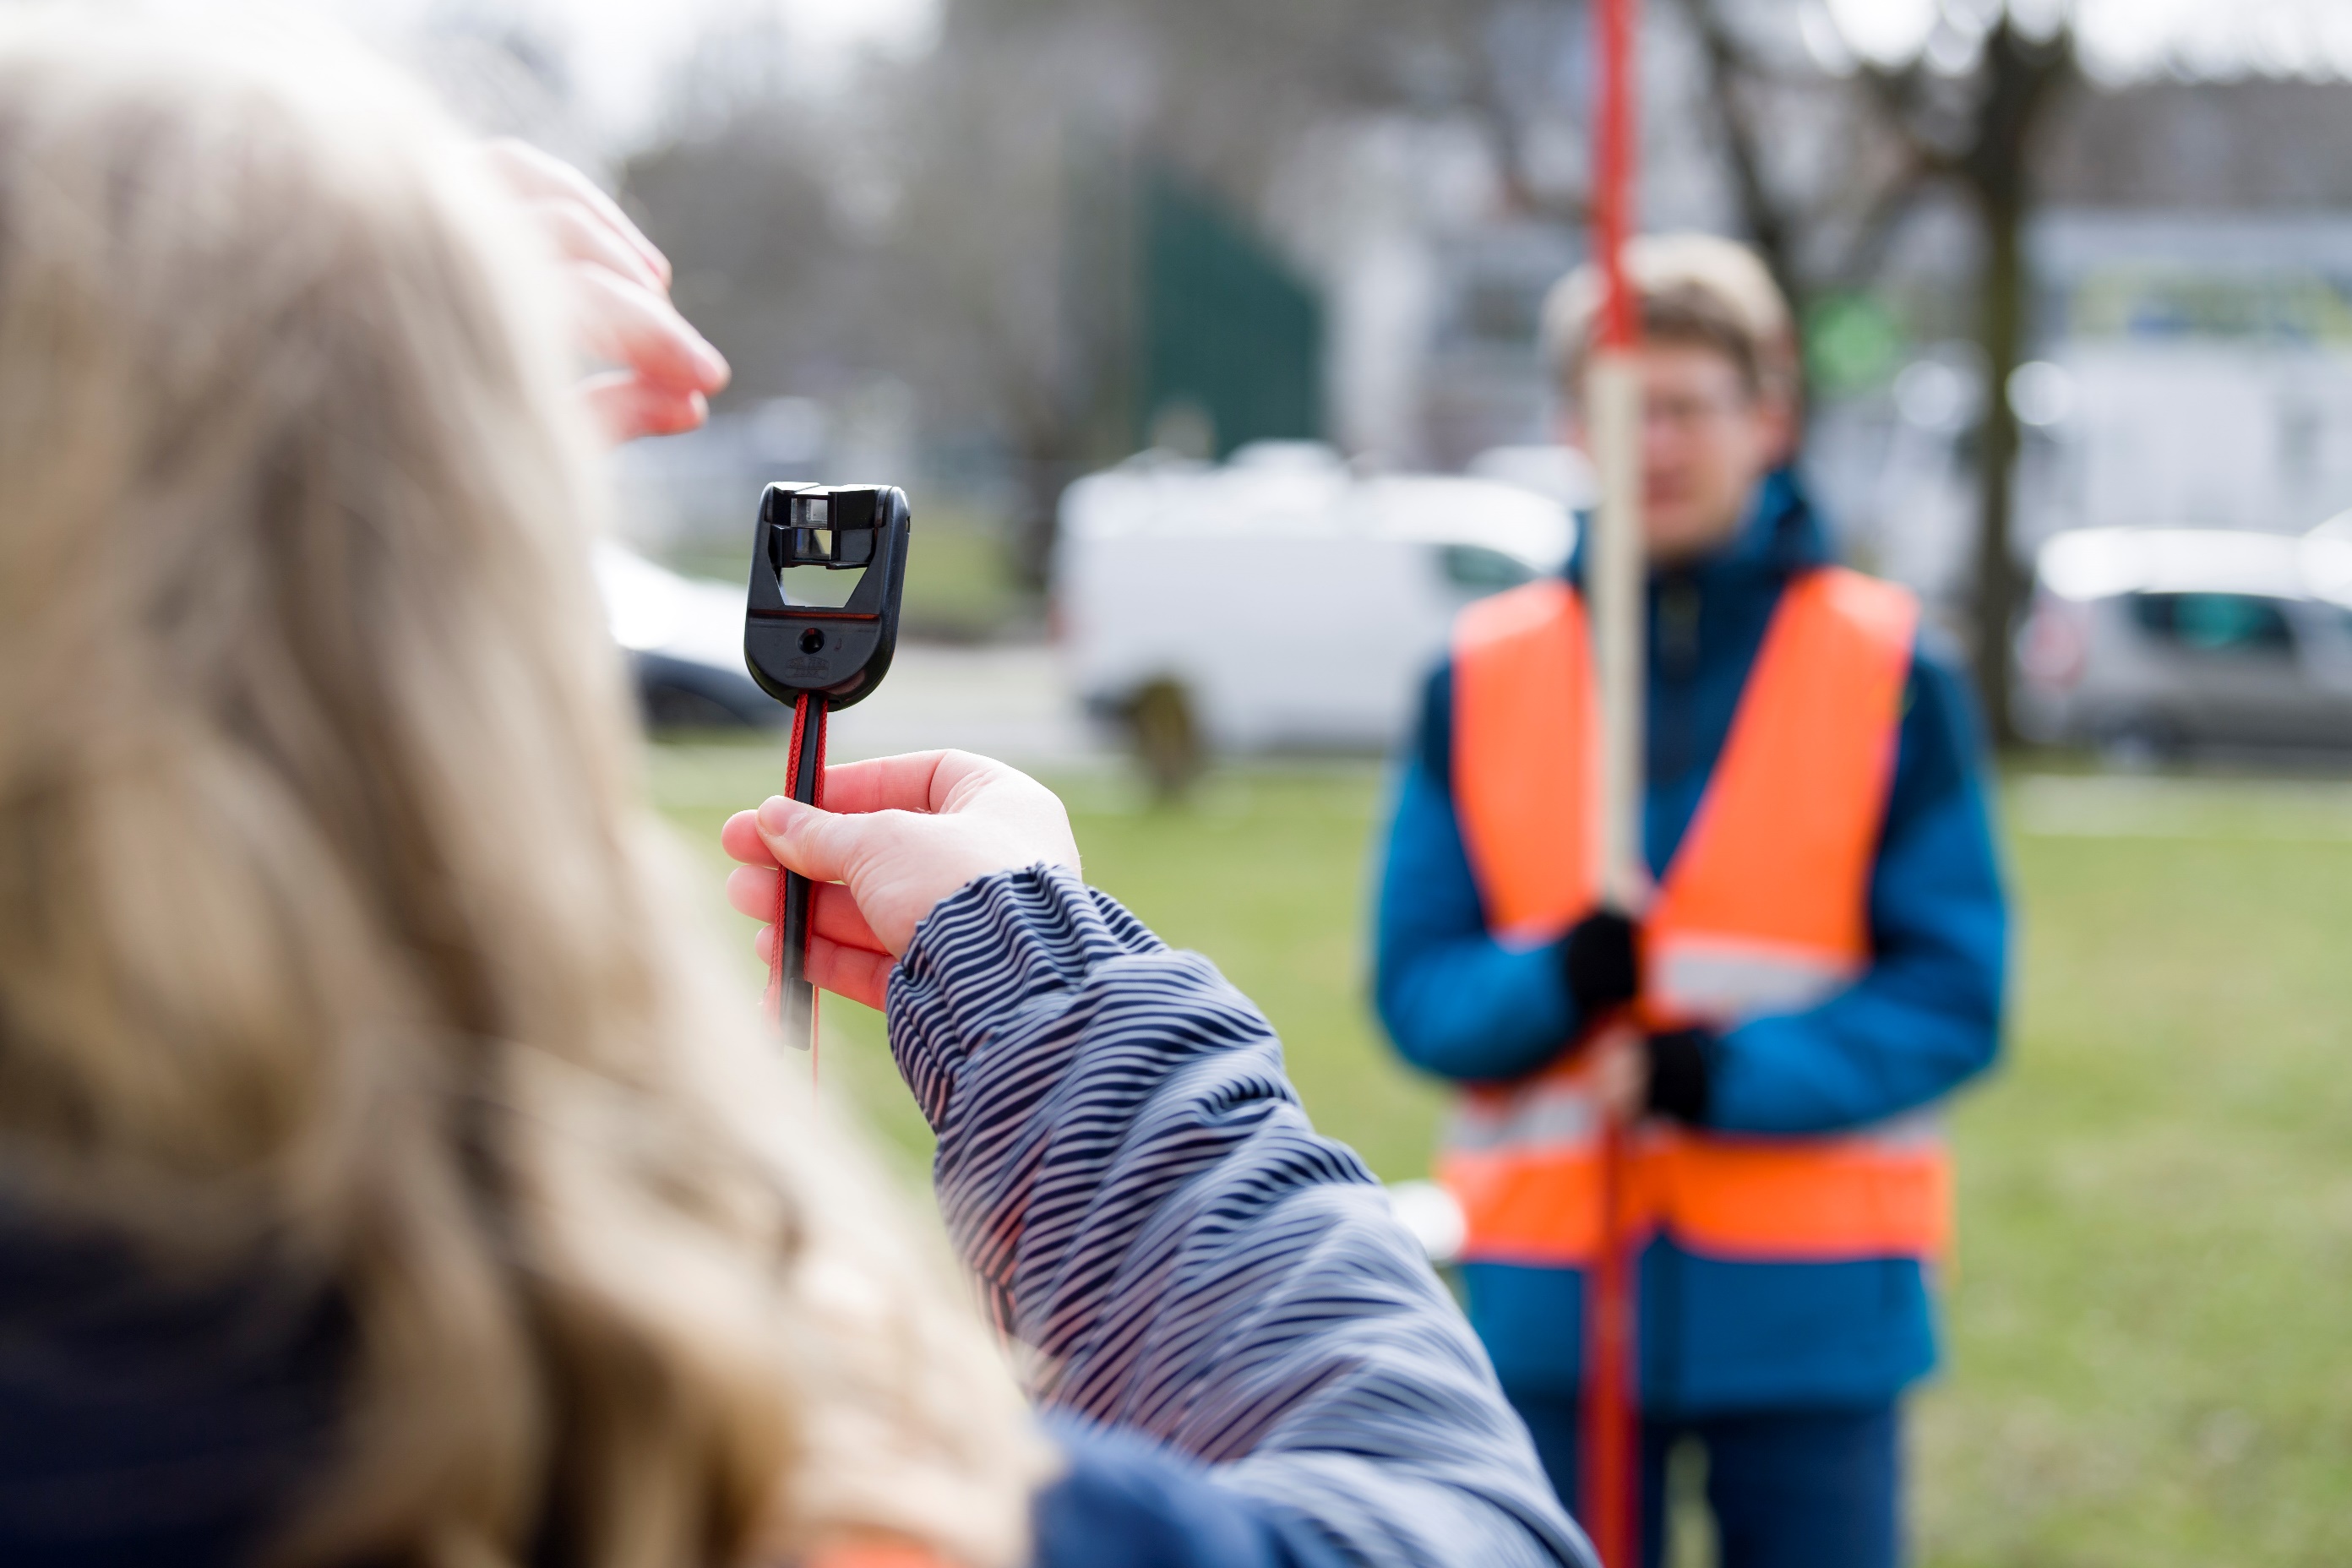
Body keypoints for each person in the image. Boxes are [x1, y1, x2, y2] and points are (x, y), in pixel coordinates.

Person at [0, 18, 1591, 1568]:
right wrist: (1054, 1000)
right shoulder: (742, 1492)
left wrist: (223, 318)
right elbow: (1445, 1523)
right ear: (469, 671)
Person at [1373, 234, 2009, 1568]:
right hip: (1551, 1307)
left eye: (1687, 407)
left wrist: (1725, 1076)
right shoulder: (1476, 675)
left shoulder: (1893, 668)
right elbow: (1419, 989)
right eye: (1621, 409)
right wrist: (1558, 982)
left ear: (1767, 416)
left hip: (1818, 1307)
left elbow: (1953, 992)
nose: (1654, 443)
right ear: (1567, 428)